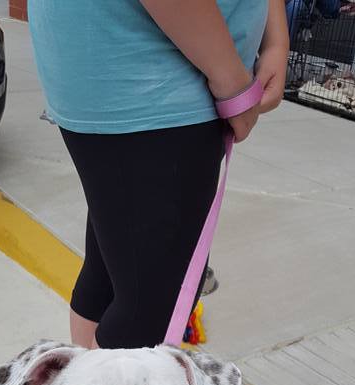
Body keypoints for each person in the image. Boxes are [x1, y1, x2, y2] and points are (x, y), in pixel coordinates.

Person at [29, 0, 289, 350]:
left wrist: (275, 39)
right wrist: (231, 80)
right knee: (150, 308)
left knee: (113, 275)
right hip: (155, 70)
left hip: (149, 67)